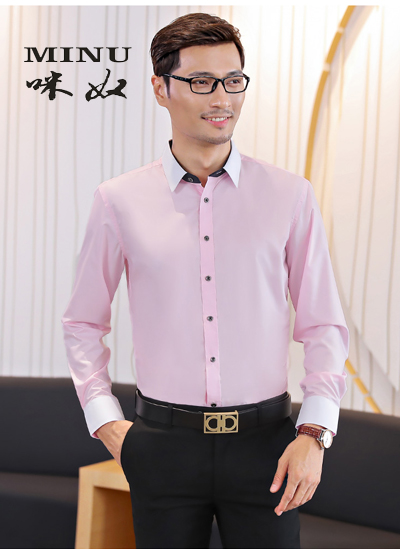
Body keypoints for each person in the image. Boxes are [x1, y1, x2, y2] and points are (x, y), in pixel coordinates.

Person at [61, 12, 349, 549]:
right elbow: (82, 322)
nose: (222, 98)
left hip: (268, 447)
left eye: (233, 80)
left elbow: (324, 325)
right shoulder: (118, 200)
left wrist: (314, 432)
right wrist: (105, 422)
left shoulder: (290, 195)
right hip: (162, 446)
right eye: (201, 82)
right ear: (160, 89)